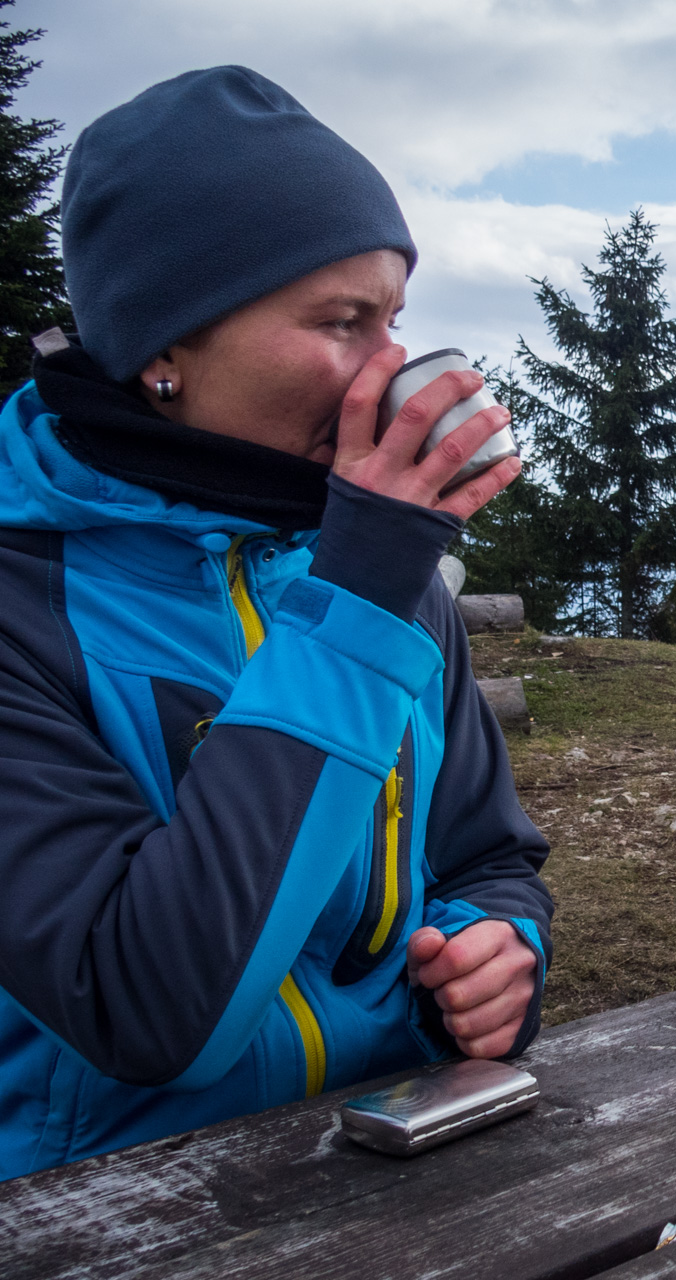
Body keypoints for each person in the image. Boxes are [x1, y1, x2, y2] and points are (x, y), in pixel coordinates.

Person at [0, 67, 551, 1179]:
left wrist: (503, 949)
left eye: (393, 320)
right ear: (165, 348)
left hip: (385, 1163)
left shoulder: (388, 578)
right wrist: (355, 593)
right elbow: (149, 1008)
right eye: (342, 322)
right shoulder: (23, 602)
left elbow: (489, 852)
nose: (386, 371)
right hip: (100, 1203)